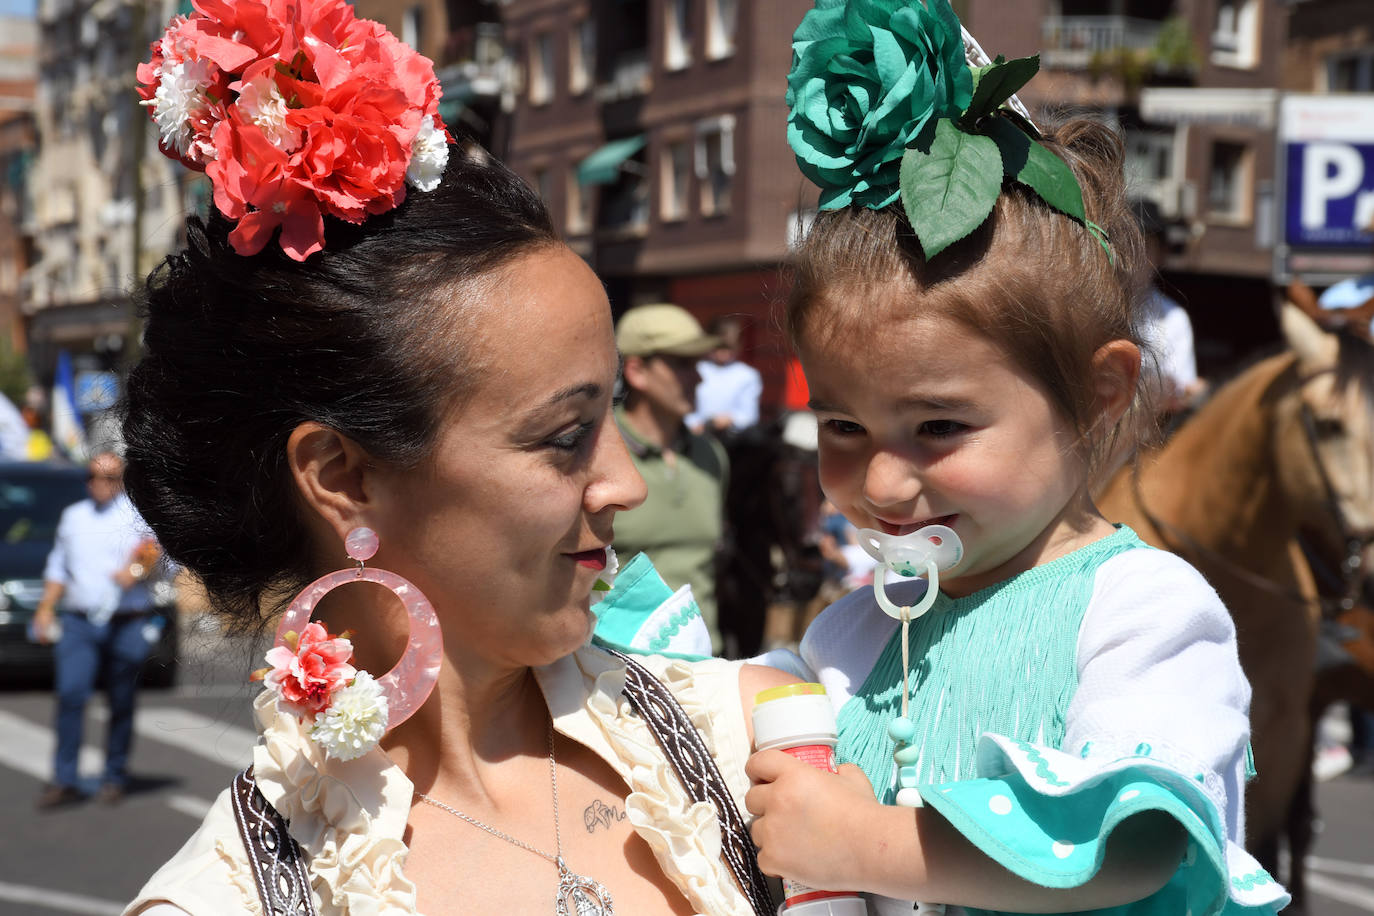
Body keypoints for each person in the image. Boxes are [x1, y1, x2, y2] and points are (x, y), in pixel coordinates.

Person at [120, 4, 793, 913]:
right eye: (564, 437)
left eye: (617, 413)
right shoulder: (228, 900)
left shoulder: (759, 743)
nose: (627, 484)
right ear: (342, 478)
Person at [742, 2, 1289, 914]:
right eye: (842, 427)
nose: (881, 482)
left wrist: (867, 844)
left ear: (1101, 394)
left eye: (939, 427)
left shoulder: (1141, 612)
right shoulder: (852, 631)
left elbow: (1134, 844)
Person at [32, 450, 165, 808]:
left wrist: (137, 570)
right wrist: (45, 607)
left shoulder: (137, 517)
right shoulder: (74, 517)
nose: (98, 484)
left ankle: (114, 774)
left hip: (127, 621)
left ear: (120, 481)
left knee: (121, 700)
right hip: (79, 622)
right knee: (71, 694)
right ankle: (64, 778)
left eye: (107, 478)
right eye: (92, 476)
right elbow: (59, 567)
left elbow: (162, 562)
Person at [612, 303, 731, 653]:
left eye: (699, 363)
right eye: (682, 364)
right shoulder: (597, 451)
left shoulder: (712, 456)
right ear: (637, 371)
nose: (698, 377)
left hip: (703, 667)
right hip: (614, 670)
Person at [1132, 198, 1204, 416]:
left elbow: (1184, 391)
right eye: (1126, 243)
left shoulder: (1173, 318)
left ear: (1160, 254)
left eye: (1143, 246)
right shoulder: (1092, 306)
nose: (1133, 256)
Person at [687, 315, 763, 437]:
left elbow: (750, 415)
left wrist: (731, 419)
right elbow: (685, 405)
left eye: (729, 348)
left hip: (733, 438)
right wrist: (693, 423)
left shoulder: (747, 375)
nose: (724, 353)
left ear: (739, 345)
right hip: (695, 435)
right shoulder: (696, 369)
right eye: (719, 347)